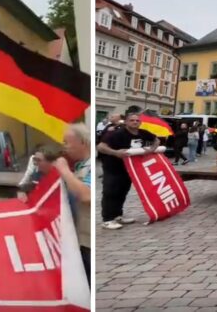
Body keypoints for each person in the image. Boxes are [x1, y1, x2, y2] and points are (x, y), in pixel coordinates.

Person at [96, 112, 160, 230]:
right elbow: (100, 147)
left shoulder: (143, 133)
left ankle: (117, 215)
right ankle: (107, 219)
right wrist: (115, 153)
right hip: (113, 167)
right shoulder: (117, 134)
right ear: (125, 122)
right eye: (132, 120)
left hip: (130, 168)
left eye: (137, 120)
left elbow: (156, 140)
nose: (135, 122)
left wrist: (152, 149)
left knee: (122, 191)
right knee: (110, 192)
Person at [57, 123, 92, 285]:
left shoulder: (90, 166)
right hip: (79, 238)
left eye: (67, 142)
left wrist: (65, 171)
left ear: (82, 142)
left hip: (89, 241)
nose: (65, 147)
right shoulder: (80, 165)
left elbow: (86, 195)